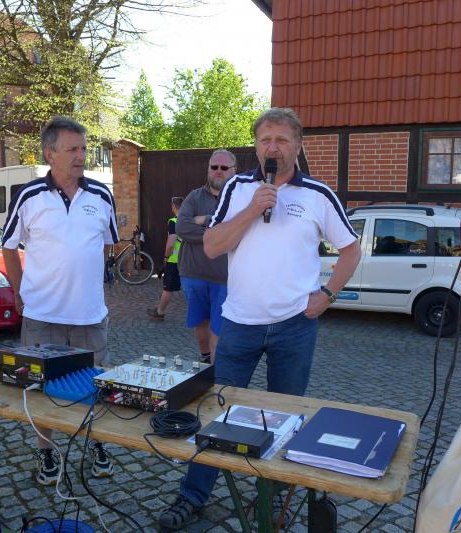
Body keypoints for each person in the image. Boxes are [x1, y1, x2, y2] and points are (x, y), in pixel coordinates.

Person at [158, 108, 362, 531]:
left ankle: (272, 498)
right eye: (266, 139)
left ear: (298, 146)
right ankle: (193, 495)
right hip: (239, 324)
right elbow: (212, 246)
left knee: (286, 418)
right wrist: (252, 209)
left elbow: (351, 249)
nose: (273, 147)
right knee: (219, 414)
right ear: (255, 146)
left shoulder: (318, 195)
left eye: (282, 140)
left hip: (295, 327)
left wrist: (327, 294)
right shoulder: (237, 187)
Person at [2, 116, 119, 485]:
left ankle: (96, 443)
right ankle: (46, 452)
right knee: (40, 390)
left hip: (89, 315)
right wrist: (18, 291)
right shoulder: (29, 196)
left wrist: (87, 281)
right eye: (73, 149)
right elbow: (8, 246)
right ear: (50, 154)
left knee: (96, 384)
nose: (81, 155)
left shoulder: (101, 196)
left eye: (83, 148)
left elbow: (107, 244)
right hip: (42, 314)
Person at [174, 149, 235, 363]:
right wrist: (214, 226)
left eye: (224, 167)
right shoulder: (194, 197)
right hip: (193, 275)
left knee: (218, 328)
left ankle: (215, 373)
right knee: (200, 322)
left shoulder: (239, 199)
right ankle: (205, 358)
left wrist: (200, 221)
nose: (218, 171)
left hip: (225, 278)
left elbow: (240, 232)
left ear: (234, 171)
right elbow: (182, 228)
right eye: (214, 167)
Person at [147, 196, 184, 320]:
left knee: (168, 287)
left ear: (174, 206)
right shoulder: (189, 220)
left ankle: (160, 312)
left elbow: (171, 243)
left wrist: (166, 256)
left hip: (174, 260)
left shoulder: (173, 221)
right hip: (187, 260)